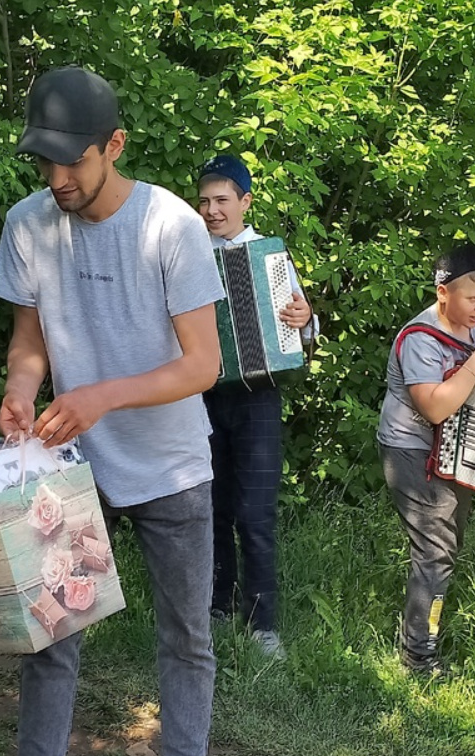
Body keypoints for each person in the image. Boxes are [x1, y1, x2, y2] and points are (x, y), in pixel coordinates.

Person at [0, 66, 260, 756]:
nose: (58, 179)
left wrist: (102, 395)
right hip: (66, 462)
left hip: (171, 464)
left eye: (72, 160)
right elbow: (29, 340)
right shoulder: (27, 223)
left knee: (186, 635)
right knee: (53, 632)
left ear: (114, 145)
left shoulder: (172, 225)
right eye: (45, 163)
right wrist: (19, 388)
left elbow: (201, 365)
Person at [195, 154, 317, 660]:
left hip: (258, 396)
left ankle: (262, 622)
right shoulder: (189, 252)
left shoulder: (270, 256)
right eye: (204, 201)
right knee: (211, 509)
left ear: (245, 202)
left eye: (222, 200)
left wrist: (305, 316)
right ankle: (217, 606)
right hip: (199, 395)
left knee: (256, 513)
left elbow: (302, 331)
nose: (211, 210)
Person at [376, 245, 475, 674]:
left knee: (446, 549)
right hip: (411, 450)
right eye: (474, 299)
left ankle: (423, 639)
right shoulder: (421, 339)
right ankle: (418, 657)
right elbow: (434, 407)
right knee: (436, 552)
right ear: (442, 294)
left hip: (457, 454)